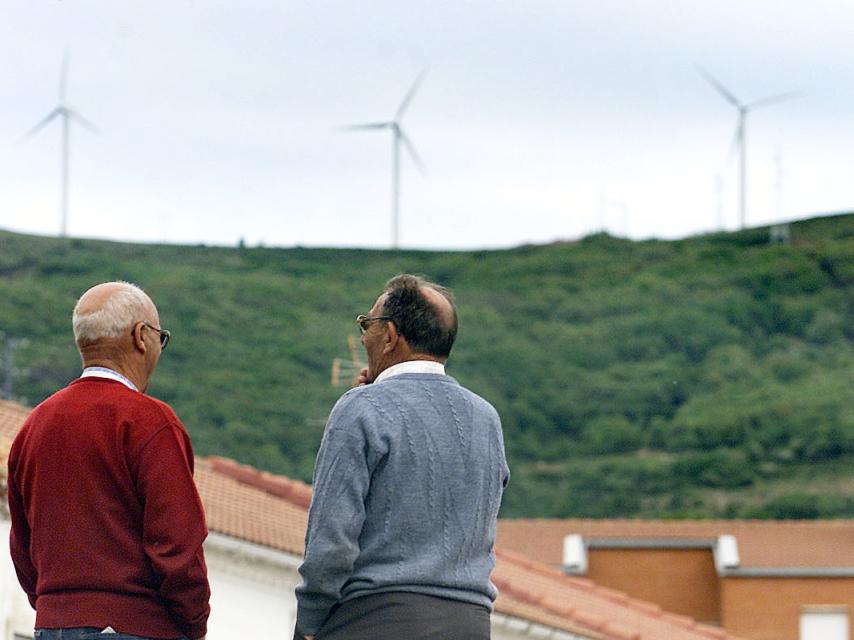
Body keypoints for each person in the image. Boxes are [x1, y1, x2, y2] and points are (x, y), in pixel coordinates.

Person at [295, 274, 510, 640]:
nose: (364, 337)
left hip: (376, 620)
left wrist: (309, 623)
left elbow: (331, 541)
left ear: (391, 335)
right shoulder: (486, 418)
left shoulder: (360, 409)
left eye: (367, 325)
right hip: (470, 623)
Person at [7, 282, 210, 640]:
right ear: (140, 337)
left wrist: (57, 608)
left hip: (52, 625)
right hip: (137, 625)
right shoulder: (149, 422)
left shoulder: (34, 426)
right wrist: (193, 623)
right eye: (160, 338)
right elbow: (177, 545)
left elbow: (21, 544)